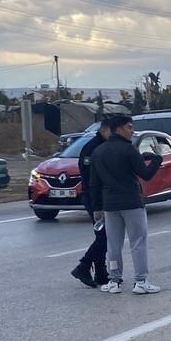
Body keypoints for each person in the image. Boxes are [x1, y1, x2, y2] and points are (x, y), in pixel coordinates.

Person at [90, 115, 163, 295]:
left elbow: (94, 183)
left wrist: (96, 207)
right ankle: (141, 281)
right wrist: (157, 158)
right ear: (119, 129)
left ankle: (114, 280)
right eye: (129, 127)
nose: (132, 131)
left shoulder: (98, 152)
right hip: (131, 202)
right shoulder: (129, 150)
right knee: (138, 241)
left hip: (109, 205)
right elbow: (145, 174)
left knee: (113, 244)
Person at [70, 120, 112, 288]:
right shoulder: (92, 147)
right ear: (103, 130)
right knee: (104, 236)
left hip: (102, 197)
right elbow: (89, 178)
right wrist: (97, 205)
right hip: (94, 198)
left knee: (103, 236)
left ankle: (100, 273)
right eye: (111, 130)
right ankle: (84, 266)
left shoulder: (103, 145)